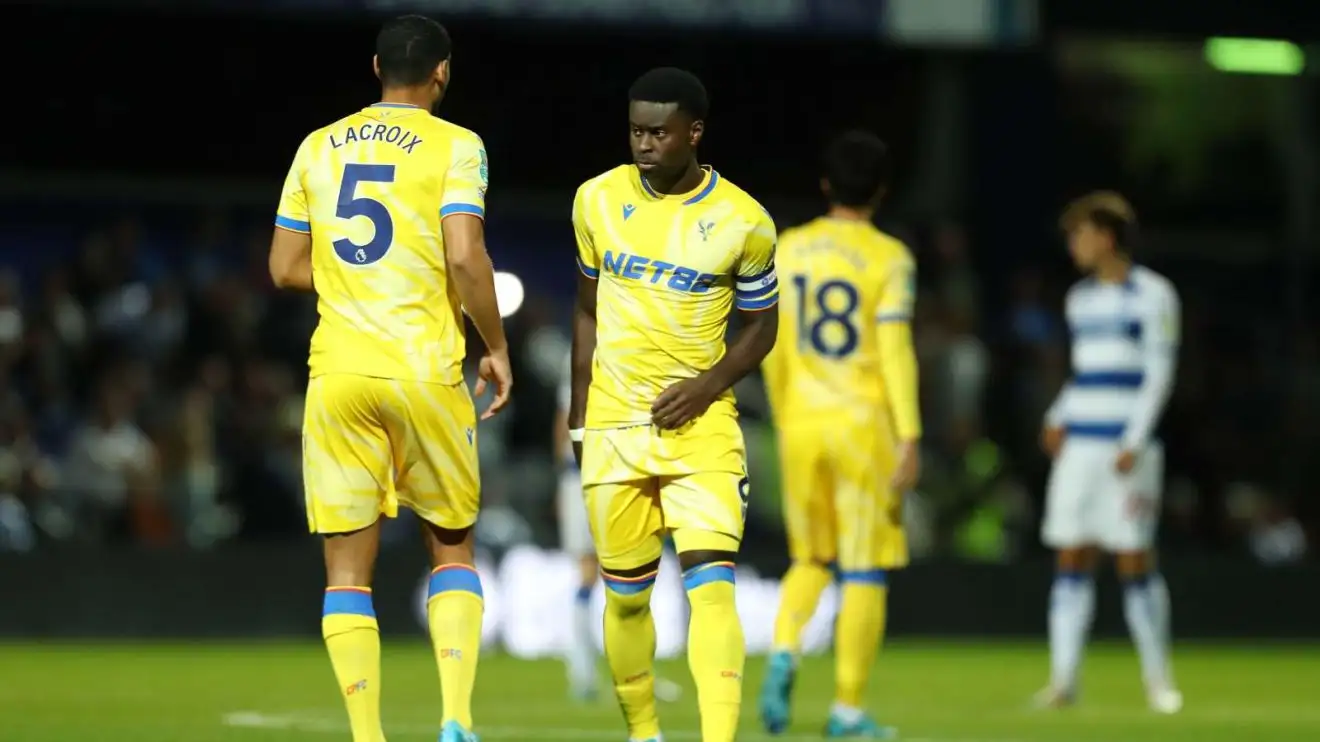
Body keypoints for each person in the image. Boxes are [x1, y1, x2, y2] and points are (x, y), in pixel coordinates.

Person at [267, 15, 512, 742]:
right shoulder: (457, 145)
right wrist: (494, 345)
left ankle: (367, 735)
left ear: (376, 66)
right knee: (452, 546)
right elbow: (465, 256)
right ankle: (457, 719)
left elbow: (282, 268)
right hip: (423, 370)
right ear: (442, 73)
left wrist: (353, 287)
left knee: (347, 573)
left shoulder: (317, 146)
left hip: (338, 372)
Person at [568, 67, 779, 742]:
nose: (644, 144)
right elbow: (584, 313)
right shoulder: (596, 200)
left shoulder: (744, 222)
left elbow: (763, 325)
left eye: (658, 132)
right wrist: (579, 420)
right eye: (635, 130)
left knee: (712, 586)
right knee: (626, 601)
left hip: (703, 431)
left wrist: (710, 385)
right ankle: (645, 733)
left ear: (694, 132)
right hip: (612, 426)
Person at [757, 131, 920, 739]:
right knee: (864, 569)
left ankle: (782, 652)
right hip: (863, 423)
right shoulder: (890, 257)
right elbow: (895, 349)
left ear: (825, 185)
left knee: (809, 559)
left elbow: (768, 342)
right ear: (881, 190)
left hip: (801, 422)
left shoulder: (788, 248)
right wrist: (910, 434)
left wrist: (783, 411)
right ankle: (848, 709)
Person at [1035, 192, 1182, 714]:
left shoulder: (1154, 295)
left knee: (1134, 559)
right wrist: (1057, 417)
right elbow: (1085, 375)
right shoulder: (1080, 300)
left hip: (1125, 450)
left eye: (1081, 233)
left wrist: (1135, 440)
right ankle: (1062, 681)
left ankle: (1158, 681)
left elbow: (1159, 374)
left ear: (1108, 237)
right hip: (1082, 448)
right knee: (1071, 554)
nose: (1074, 244)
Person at [552, 353, 684, 704]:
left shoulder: (611, 346)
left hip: (611, 472)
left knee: (624, 575)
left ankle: (632, 671)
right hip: (586, 474)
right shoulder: (603, 350)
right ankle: (585, 671)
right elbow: (563, 421)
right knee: (595, 574)